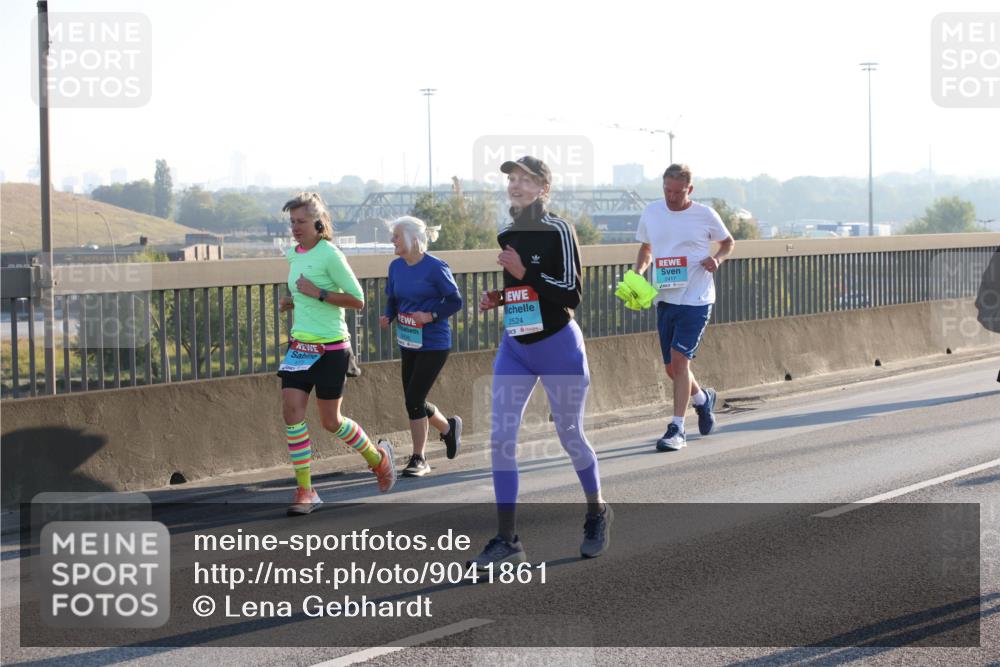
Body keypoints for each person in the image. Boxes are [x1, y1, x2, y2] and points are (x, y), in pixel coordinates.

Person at [471, 155, 611, 568]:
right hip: (516, 346)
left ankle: (597, 511)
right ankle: (507, 540)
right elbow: (523, 289)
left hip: (558, 346)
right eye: (511, 178)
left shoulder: (559, 230)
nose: (515, 184)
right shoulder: (507, 232)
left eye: (525, 179)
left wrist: (523, 274)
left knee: (570, 436)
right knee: (500, 439)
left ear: (543, 189)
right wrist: (498, 298)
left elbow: (571, 293)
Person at [277, 192, 396, 515]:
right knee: (292, 412)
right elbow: (302, 292)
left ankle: (377, 459)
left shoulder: (330, 254)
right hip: (300, 347)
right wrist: (292, 301)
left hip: (331, 349)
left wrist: (318, 293)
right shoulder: (294, 254)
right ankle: (305, 490)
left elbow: (357, 299)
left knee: (332, 421)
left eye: (301, 222)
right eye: (292, 222)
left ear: (318, 223)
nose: (295, 228)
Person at [634, 164, 735, 452]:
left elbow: (728, 243)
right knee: (671, 368)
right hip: (664, 297)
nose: (672, 197)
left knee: (680, 363)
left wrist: (717, 260)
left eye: (678, 192)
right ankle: (703, 399)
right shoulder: (652, 212)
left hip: (696, 298)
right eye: (667, 190)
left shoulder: (704, 214)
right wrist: (640, 271)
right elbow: (646, 248)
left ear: (689, 190)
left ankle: (677, 428)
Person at [379, 216, 464, 477]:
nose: (392, 240)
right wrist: (388, 315)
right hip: (408, 340)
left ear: (414, 240)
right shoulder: (396, 267)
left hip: (434, 343)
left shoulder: (435, 267)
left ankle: (419, 458)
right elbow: (392, 298)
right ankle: (448, 428)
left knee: (414, 399)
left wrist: (430, 316)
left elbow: (455, 300)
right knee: (413, 400)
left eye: (396, 236)